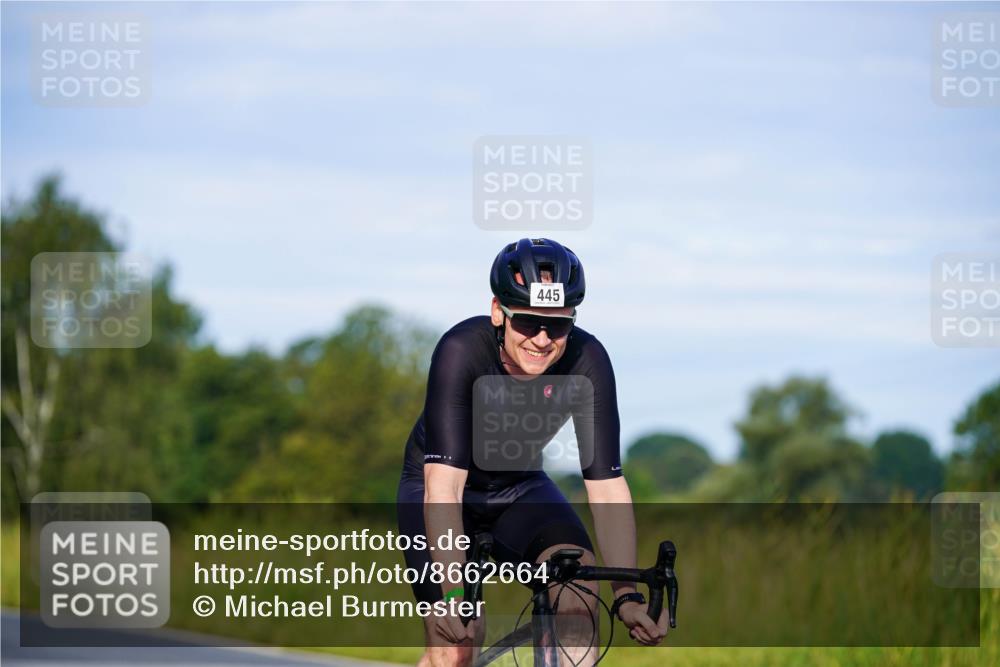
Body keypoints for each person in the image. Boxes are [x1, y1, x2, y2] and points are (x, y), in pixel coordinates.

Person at [397, 238, 668, 666]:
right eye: (526, 322)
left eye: (557, 326)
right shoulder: (460, 351)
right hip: (439, 492)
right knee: (457, 645)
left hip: (519, 488)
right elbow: (443, 490)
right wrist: (452, 593)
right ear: (497, 313)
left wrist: (627, 595)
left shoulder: (587, 360)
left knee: (578, 600)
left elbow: (607, 487)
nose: (542, 339)